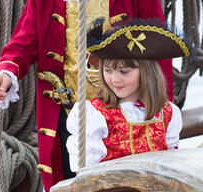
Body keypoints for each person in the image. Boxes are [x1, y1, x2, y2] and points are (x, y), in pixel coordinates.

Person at [0, 0, 174, 192]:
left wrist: (161, 110)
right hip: (66, 120)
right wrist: (7, 71)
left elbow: (157, 46)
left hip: (129, 120)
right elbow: (23, 44)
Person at [66, 19, 192, 171]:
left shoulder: (167, 112)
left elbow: (172, 161)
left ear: (146, 73)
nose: (114, 79)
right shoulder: (96, 115)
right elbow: (87, 172)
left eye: (124, 71)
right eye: (108, 70)